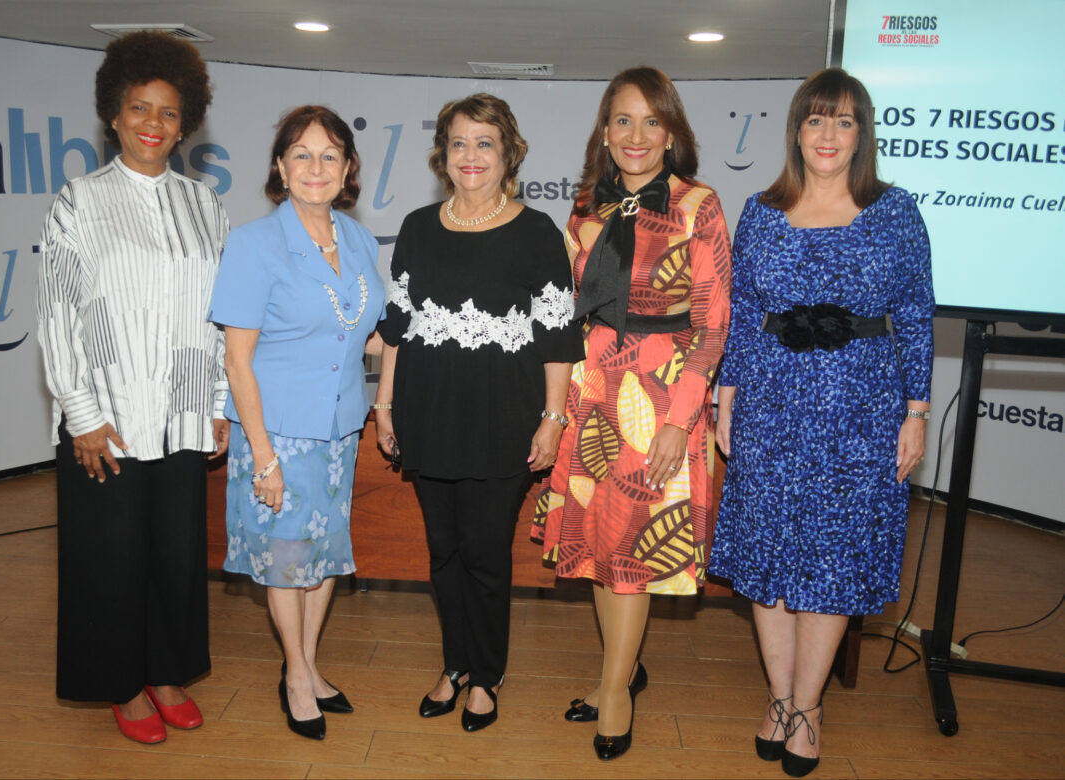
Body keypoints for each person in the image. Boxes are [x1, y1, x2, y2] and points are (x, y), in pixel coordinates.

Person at [710, 68, 934, 778]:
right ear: (797, 131)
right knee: (769, 552)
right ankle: (779, 699)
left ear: (862, 134)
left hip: (861, 410)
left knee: (833, 558)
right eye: (815, 119)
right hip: (770, 404)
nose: (828, 134)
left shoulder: (894, 212)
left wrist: (917, 412)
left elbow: (916, 316)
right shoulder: (761, 211)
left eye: (843, 120)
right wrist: (725, 396)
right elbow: (744, 313)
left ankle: (809, 707)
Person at [531, 65, 732, 761]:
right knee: (599, 547)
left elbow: (713, 324)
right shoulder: (586, 210)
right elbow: (564, 309)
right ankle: (617, 672)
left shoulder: (698, 204)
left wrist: (680, 420)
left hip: (661, 397)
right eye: (622, 120)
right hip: (593, 393)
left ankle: (616, 693)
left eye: (652, 121)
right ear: (604, 131)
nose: (636, 135)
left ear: (671, 133)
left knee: (631, 553)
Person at [37, 31, 228, 744]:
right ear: (114, 115)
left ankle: (167, 670)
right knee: (109, 558)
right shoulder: (79, 201)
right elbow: (56, 313)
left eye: (169, 112)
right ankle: (121, 682)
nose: (154, 122)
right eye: (140, 108)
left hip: (182, 413)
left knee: (175, 555)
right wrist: (80, 413)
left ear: (186, 124)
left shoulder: (205, 205)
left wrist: (216, 405)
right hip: (107, 418)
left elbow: (220, 316)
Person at [374, 93, 583, 733]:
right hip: (427, 412)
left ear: (508, 154)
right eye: (459, 142)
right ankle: (455, 664)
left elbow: (558, 338)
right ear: (443, 154)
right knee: (443, 552)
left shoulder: (537, 232)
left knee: (486, 553)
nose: (471, 155)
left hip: (504, 419)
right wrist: (384, 406)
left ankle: (487, 675)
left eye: (484, 143)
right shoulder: (416, 227)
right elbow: (397, 327)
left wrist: (552, 419)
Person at [208, 106, 384, 742]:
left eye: (330, 155)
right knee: (287, 558)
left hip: (339, 427)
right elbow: (238, 359)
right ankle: (298, 679)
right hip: (276, 431)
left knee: (325, 554)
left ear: (348, 169)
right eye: (302, 154)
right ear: (281, 168)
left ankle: (305, 663)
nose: (316, 167)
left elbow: (366, 334)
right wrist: (263, 455)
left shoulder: (359, 241)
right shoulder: (253, 243)